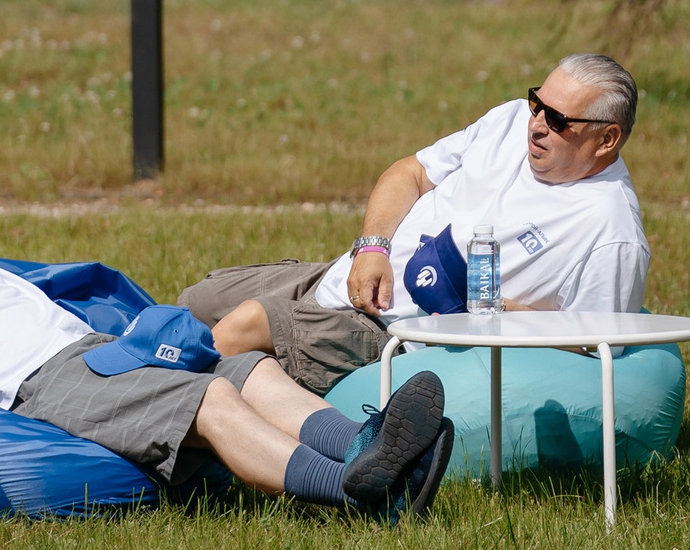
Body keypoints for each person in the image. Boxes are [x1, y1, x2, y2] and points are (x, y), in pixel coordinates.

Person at [0, 123, 454, 518]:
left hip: (92, 348)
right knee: (210, 396)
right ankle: (352, 490)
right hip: (38, 383)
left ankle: (367, 447)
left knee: (243, 365)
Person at [178, 54, 650, 395]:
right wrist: (372, 249)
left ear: (607, 139)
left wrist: (502, 313)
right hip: (347, 274)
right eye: (537, 104)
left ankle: (146, 418)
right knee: (195, 304)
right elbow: (410, 172)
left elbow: (596, 345)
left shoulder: (609, 229)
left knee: (247, 324)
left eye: (559, 119)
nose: (537, 124)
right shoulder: (507, 122)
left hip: (397, 335)